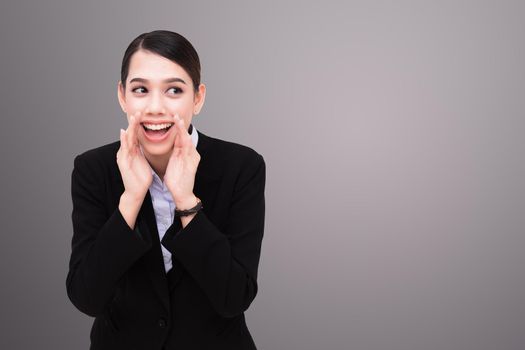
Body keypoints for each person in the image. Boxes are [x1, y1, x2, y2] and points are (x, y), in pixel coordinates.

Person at [66, 30, 266, 350]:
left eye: (174, 90)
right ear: (122, 96)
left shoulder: (241, 166)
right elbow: (86, 296)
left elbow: (234, 297)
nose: (155, 107)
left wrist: (186, 200)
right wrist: (131, 199)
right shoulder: (94, 169)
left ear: (197, 98)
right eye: (141, 89)